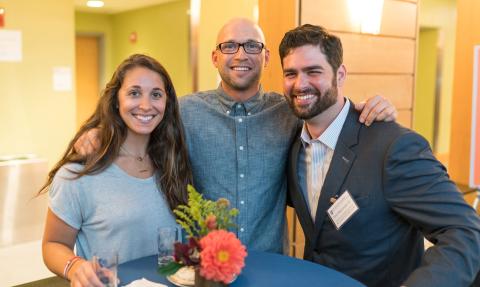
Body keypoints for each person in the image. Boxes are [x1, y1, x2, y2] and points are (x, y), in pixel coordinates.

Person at [74, 18, 397, 254]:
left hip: (270, 262)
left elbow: (331, 111)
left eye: (252, 46)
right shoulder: (183, 111)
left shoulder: (289, 111)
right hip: (201, 265)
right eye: (229, 46)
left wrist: (369, 107)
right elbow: (140, 121)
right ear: (215, 57)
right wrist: (100, 130)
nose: (240, 54)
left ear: (266, 57)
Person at [281, 24, 480, 287]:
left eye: (313, 71)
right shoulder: (293, 144)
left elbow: (466, 232)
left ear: (340, 75)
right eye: (290, 73)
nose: (300, 83)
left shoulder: (394, 146)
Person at [39, 54, 192, 286]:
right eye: (134, 93)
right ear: (115, 101)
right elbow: (52, 245)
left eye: (156, 95)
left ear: (167, 103)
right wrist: (75, 267)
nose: (145, 104)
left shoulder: (173, 163)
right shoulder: (79, 174)